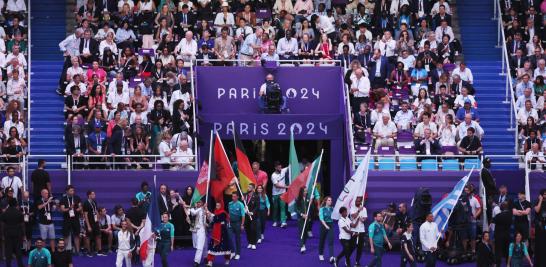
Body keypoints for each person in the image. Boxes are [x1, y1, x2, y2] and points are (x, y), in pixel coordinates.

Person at [205, 202, 231, 266]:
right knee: (213, 246)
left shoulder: (223, 213)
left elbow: (217, 219)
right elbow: (212, 220)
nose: (217, 206)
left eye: (218, 205)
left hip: (223, 233)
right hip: (215, 232)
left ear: (221, 206)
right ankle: (210, 261)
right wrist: (208, 216)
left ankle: (227, 259)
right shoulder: (215, 212)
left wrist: (208, 212)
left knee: (225, 247)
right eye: (216, 205)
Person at [0, 197, 24, 267]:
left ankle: (8, 265)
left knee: (8, 251)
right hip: (17, 233)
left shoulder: (5, 213)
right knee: (18, 250)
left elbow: (2, 224)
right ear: (16, 204)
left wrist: (2, 235)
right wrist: (24, 234)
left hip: (8, 234)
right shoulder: (19, 213)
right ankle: (20, 265)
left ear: (9, 204)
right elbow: (22, 225)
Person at [59, 185, 83, 255]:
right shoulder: (63, 199)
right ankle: (64, 251)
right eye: (71, 190)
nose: (72, 192)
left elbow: (80, 207)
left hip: (75, 219)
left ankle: (77, 251)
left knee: (77, 235)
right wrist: (69, 208)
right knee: (66, 236)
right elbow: (62, 209)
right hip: (67, 220)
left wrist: (76, 210)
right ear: (67, 191)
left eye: (73, 190)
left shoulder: (77, 198)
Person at [83, 190, 103, 256]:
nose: (94, 195)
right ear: (89, 195)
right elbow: (85, 215)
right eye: (93, 194)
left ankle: (99, 251)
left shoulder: (94, 202)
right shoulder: (86, 203)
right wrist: (88, 226)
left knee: (98, 235)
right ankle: (88, 251)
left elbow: (96, 211)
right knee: (88, 237)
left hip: (95, 222)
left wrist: (98, 219)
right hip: (89, 222)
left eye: (94, 194)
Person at [493, 202, 513, 266]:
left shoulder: (498, 216)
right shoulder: (510, 215)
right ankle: (508, 264)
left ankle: (498, 265)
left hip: (499, 236)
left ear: (501, 207)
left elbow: (493, 222)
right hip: (507, 235)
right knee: (507, 251)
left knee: (498, 252)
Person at [350, 196, 368, 267]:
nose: (357, 202)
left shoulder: (364, 209)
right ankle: (347, 259)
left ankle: (357, 262)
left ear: (361, 201)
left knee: (360, 247)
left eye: (358, 201)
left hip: (361, 230)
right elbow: (353, 216)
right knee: (352, 246)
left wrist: (363, 219)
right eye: (356, 201)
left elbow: (365, 218)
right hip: (354, 230)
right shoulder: (352, 208)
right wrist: (358, 211)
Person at [228, 192, 245, 260]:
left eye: (234, 196)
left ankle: (238, 253)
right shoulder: (229, 203)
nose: (233, 198)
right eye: (232, 196)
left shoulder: (241, 204)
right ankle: (232, 252)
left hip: (238, 223)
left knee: (237, 239)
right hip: (230, 223)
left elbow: (243, 215)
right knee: (229, 238)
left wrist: (242, 225)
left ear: (237, 197)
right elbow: (229, 213)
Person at [190, 199, 207, 266]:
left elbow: (210, 217)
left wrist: (208, 214)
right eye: (197, 202)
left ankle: (196, 261)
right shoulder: (193, 210)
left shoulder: (204, 209)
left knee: (200, 245)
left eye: (200, 202)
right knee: (200, 245)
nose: (199, 203)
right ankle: (206, 257)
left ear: (202, 203)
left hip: (202, 229)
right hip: (194, 230)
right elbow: (193, 213)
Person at [271, 162, 288, 228]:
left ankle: (283, 222)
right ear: (275, 168)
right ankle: (275, 221)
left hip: (283, 193)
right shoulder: (273, 175)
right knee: (275, 208)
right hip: (275, 194)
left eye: (280, 167)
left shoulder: (283, 170)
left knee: (282, 208)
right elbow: (276, 185)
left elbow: (290, 166)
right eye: (278, 167)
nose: (280, 168)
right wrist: (286, 187)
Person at [318, 196, 334, 263]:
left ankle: (331, 256)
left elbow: (336, 216)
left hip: (330, 225)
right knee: (322, 240)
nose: (330, 201)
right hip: (323, 225)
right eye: (329, 200)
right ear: (326, 201)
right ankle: (321, 254)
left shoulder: (332, 209)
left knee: (331, 240)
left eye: (331, 200)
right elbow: (321, 219)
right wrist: (326, 226)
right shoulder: (322, 209)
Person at [296, 186, 312, 253]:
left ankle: (304, 244)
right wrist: (302, 215)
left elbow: (309, 209)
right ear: (301, 192)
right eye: (304, 191)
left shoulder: (308, 198)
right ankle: (302, 246)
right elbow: (296, 209)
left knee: (305, 233)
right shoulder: (298, 199)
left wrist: (310, 204)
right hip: (301, 219)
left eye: (306, 191)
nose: (306, 192)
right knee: (301, 232)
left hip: (307, 218)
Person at [244, 183, 259, 250]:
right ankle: (249, 242)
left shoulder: (256, 196)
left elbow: (257, 207)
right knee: (247, 229)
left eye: (250, 187)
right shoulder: (245, 196)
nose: (248, 188)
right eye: (248, 187)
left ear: (253, 189)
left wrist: (252, 212)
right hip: (246, 215)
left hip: (253, 216)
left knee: (253, 229)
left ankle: (253, 243)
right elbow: (243, 204)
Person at [534, 189, 546, 266]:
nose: (545, 196)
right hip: (539, 227)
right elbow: (537, 210)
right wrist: (540, 200)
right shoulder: (537, 201)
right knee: (540, 245)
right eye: (544, 194)